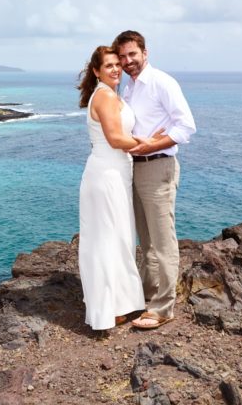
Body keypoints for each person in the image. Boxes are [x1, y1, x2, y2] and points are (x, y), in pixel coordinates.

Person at [112, 30, 196, 329]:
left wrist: (152, 145)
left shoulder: (162, 82)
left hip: (158, 165)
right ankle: (145, 298)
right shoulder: (129, 89)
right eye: (121, 57)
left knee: (163, 241)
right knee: (145, 241)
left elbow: (186, 126)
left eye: (132, 54)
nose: (127, 61)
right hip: (135, 167)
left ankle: (164, 308)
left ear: (145, 53)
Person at [76, 45, 146, 333]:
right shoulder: (104, 96)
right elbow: (116, 139)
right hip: (106, 175)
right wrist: (151, 143)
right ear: (96, 71)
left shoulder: (110, 95)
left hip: (115, 173)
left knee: (117, 238)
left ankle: (118, 305)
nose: (117, 69)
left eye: (118, 64)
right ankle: (108, 309)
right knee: (107, 240)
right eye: (109, 65)